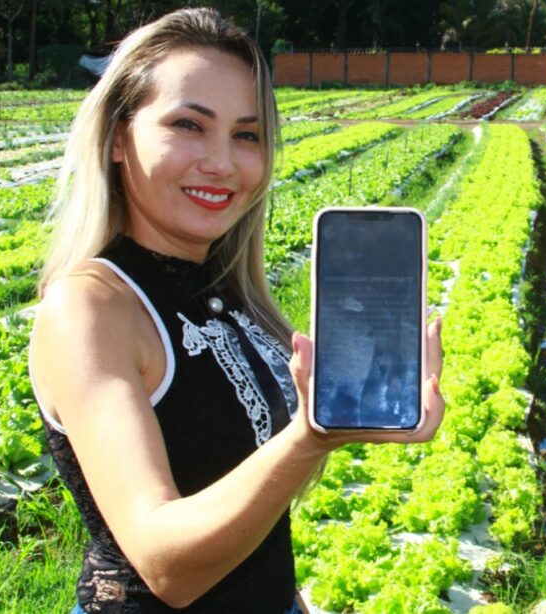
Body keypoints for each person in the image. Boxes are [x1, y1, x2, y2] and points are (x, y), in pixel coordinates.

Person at [27, 8, 445, 614]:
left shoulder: (225, 293)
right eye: (189, 125)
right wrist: (309, 436)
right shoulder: (91, 308)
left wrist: (347, 412)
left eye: (246, 135)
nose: (222, 163)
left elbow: (250, 506)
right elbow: (165, 564)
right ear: (119, 138)